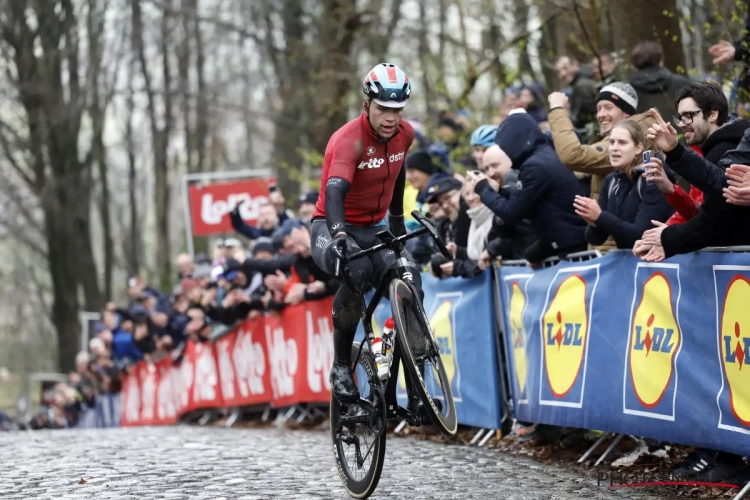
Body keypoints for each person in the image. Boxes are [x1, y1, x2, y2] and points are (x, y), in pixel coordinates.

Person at [309, 63, 424, 407]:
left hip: (375, 228)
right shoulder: (348, 141)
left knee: (410, 285)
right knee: (355, 272)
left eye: (397, 110)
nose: (391, 118)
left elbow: (399, 170)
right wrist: (340, 234)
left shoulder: (405, 134)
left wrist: (398, 220)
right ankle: (341, 366)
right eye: (383, 109)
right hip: (331, 226)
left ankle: (409, 384)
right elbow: (334, 193)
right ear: (367, 105)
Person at [465, 110, 588, 266]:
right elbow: (527, 205)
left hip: (572, 248)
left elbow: (512, 213)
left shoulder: (534, 165)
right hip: (564, 244)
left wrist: (483, 189)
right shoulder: (543, 156)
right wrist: (500, 192)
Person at [574, 119, 673, 249]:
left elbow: (642, 236)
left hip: (662, 263)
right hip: (629, 262)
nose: (614, 148)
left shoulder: (653, 179)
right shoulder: (610, 181)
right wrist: (594, 221)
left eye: (622, 143)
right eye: (611, 142)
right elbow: (596, 239)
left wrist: (601, 217)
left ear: (638, 148)